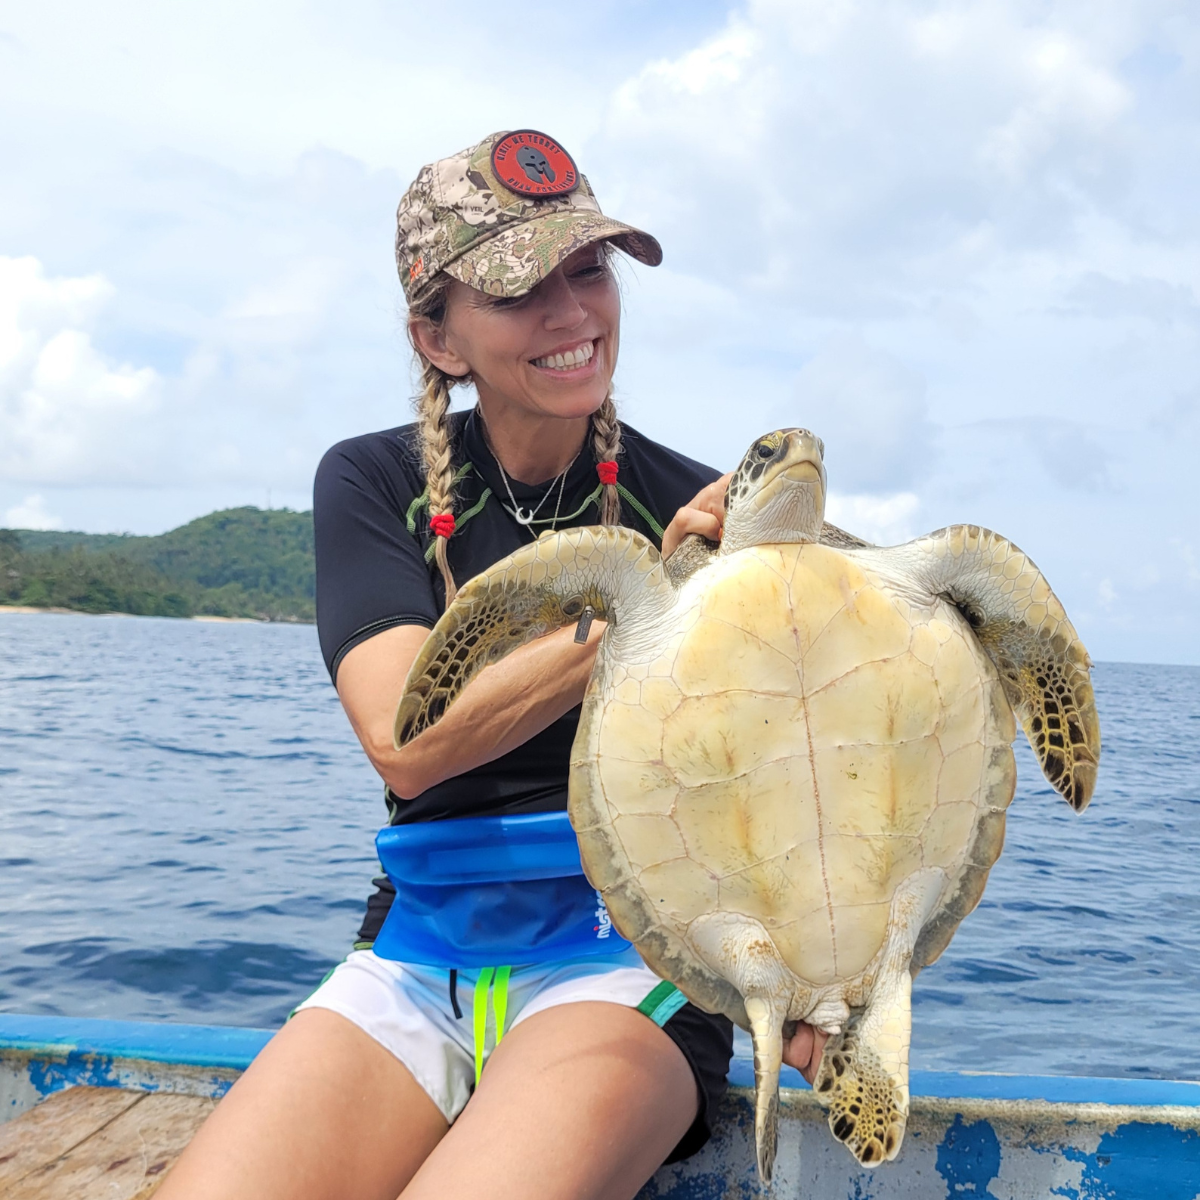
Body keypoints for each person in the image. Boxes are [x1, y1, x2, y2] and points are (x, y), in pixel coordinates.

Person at [160, 130, 826, 1200]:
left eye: (590, 270)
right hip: (422, 952)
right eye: (520, 290)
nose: (573, 315)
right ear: (439, 339)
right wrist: (643, 601)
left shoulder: (704, 502)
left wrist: (814, 974)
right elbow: (406, 746)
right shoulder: (377, 484)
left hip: (633, 962)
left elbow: (778, 784)